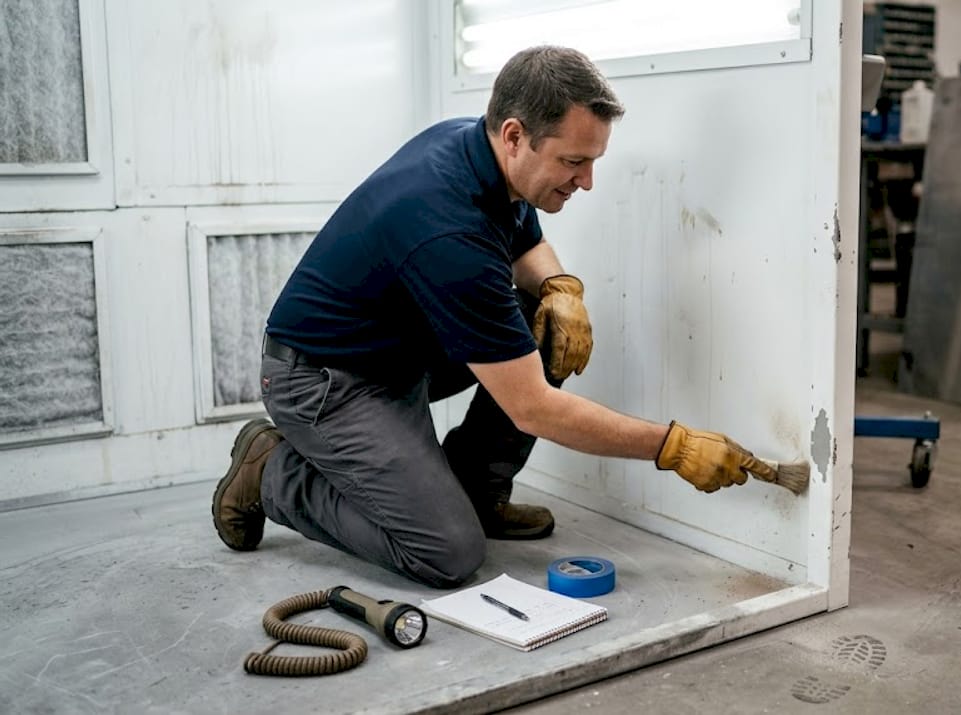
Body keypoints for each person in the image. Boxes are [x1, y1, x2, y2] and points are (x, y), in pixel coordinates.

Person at [211, 46, 776, 588]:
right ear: (514, 136)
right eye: (573, 162)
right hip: (324, 381)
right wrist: (671, 446)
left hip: (396, 356)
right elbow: (532, 408)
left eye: (592, 161)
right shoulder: (448, 230)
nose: (586, 181)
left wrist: (560, 288)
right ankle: (271, 472)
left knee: (548, 319)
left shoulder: (475, 148)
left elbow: (526, 242)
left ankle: (476, 491)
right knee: (446, 552)